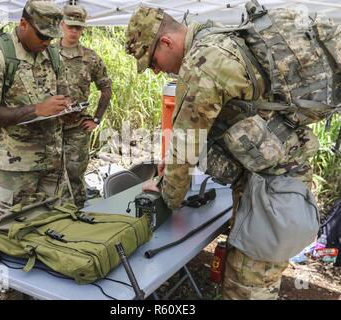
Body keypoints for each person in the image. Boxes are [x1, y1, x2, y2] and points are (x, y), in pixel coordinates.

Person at [125, 6, 321, 300]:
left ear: (166, 42)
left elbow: (185, 144)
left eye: (153, 61)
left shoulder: (203, 63)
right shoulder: (218, 36)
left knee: (246, 288)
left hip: (273, 192)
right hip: (278, 180)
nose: (157, 70)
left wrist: (163, 196)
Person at [0, 0, 73, 230]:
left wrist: (67, 109)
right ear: (23, 24)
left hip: (53, 163)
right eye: (42, 36)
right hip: (16, 169)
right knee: (8, 232)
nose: (47, 42)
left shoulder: (53, 55)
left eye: (51, 37)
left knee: (56, 226)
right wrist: (36, 110)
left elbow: (63, 96)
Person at [57, 4, 112, 207]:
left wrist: (96, 119)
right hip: (50, 126)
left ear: (82, 29)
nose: (73, 31)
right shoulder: (48, 54)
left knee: (74, 174)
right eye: (70, 26)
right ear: (62, 25)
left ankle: (78, 214)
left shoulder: (90, 58)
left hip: (77, 128)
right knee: (48, 175)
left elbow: (106, 87)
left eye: (78, 27)